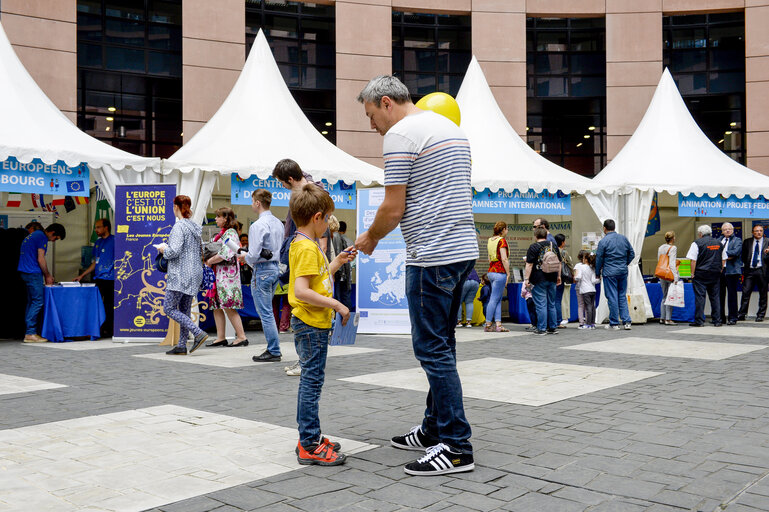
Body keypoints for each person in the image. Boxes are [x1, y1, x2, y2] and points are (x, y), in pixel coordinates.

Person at [356, 75, 478, 476]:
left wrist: (370, 238)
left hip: (431, 257)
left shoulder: (401, 135)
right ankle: (433, 429)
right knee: (442, 346)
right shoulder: (447, 127)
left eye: (372, 115)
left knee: (431, 350)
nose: (372, 125)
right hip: (462, 254)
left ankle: (456, 446)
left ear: (387, 103)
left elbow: (393, 206)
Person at [288, 184, 356, 466]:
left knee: (312, 381)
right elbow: (302, 291)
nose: (330, 223)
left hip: (312, 324)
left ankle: (310, 436)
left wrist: (337, 262)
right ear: (317, 217)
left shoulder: (306, 244)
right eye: (328, 217)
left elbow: (317, 279)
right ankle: (309, 443)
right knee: (311, 383)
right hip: (311, 324)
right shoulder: (306, 247)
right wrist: (337, 305)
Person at [273, 158, 332, 376]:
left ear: (289, 179)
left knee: (304, 299)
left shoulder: (311, 191)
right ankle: (305, 358)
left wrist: (322, 249)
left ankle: (306, 359)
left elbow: (322, 221)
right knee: (298, 300)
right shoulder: (305, 188)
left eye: (281, 182)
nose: (281, 186)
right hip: (298, 245)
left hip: (307, 248)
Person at [158, 195, 208, 355]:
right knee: (184, 308)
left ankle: (197, 332)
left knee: (169, 308)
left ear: (176, 207)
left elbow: (174, 251)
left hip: (180, 274)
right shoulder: (194, 227)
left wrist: (163, 249)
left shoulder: (178, 227)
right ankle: (181, 345)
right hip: (194, 272)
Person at [239, 189, 285, 362]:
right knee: (269, 312)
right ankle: (273, 348)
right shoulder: (278, 223)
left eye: (252, 201)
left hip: (262, 270)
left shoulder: (257, 225)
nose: (252, 204)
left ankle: (273, 349)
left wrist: (245, 257)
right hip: (275, 269)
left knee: (265, 313)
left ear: (257, 203)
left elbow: (254, 253)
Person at [204, 207, 248, 348]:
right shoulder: (221, 234)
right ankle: (221, 337)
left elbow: (225, 253)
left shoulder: (230, 233)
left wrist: (210, 261)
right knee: (217, 306)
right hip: (219, 275)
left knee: (229, 306)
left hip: (227, 275)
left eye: (218, 217)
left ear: (226, 218)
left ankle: (241, 336)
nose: (216, 219)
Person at [17, 223, 66, 343]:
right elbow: (41, 258)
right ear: (52, 232)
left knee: (32, 301)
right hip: (32, 272)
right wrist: (48, 275)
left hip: (24, 271)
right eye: (56, 238)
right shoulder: (42, 237)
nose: (54, 241)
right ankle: (30, 333)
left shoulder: (34, 235)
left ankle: (29, 331)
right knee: (38, 301)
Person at [74, 218, 115, 338]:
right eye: (95, 227)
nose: (96, 230)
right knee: (96, 305)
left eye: (98, 227)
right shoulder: (97, 243)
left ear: (106, 227)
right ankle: (98, 329)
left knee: (109, 305)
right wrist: (82, 275)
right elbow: (95, 262)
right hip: (98, 279)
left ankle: (109, 329)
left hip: (111, 279)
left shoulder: (115, 241)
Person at [595, 219, 635, 330]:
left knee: (612, 297)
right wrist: (624, 263)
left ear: (604, 228)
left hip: (609, 272)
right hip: (622, 271)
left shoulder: (603, 241)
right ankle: (627, 321)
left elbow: (599, 258)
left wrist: (597, 273)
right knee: (622, 296)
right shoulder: (623, 239)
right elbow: (632, 253)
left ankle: (614, 322)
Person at [524, 226, 562, 335]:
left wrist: (526, 279)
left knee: (541, 304)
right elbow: (559, 262)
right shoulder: (553, 246)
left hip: (538, 278)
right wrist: (558, 276)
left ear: (535, 236)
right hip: (553, 277)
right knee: (551, 303)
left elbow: (529, 264)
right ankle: (553, 327)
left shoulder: (534, 247)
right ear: (546, 235)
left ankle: (541, 328)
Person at [686, 225, 723, 327]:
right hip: (715, 273)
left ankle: (699, 321)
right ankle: (717, 320)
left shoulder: (696, 243)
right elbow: (723, 258)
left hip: (701, 274)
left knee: (700, 298)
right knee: (715, 297)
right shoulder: (719, 243)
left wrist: (692, 273)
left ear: (700, 234)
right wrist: (720, 269)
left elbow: (693, 260)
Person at [738, 224, 768, 322]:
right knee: (745, 293)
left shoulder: (768, 241)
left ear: (763, 232)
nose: (759, 232)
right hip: (749, 271)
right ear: (752, 232)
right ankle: (742, 314)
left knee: (763, 294)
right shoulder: (747, 242)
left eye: (760, 231)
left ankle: (760, 315)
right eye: (756, 231)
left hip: (762, 271)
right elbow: (743, 256)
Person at [484, 221, 510, 332]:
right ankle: (488, 324)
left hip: (491, 271)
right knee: (494, 299)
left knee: (497, 298)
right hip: (500, 272)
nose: (507, 231)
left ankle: (498, 324)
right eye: (507, 229)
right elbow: (504, 258)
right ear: (503, 229)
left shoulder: (490, 240)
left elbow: (489, 259)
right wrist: (508, 273)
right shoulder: (502, 241)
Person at [719, 223, 742, 325]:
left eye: (729, 229)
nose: (727, 231)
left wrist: (722, 255)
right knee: (719, 295)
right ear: (722, 231)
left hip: (732, 271)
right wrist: (726, 256)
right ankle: (720, 318)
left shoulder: (737, 240)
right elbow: (714, 253)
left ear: (733, 230)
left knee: (732, 295)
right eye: (725, 229)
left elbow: (735, 252)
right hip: (720, 271)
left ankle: (733, 317)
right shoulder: (719, 240)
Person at [330, 216, 353, 310]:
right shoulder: (343, 238)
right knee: (344, 295)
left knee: (338, 296)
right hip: (342, 271)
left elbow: (334, 253)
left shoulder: (335, 236)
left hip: (337, 271)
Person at [657, 231, 679, 326]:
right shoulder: (673, 248)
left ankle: (662, 318)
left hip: (662, 274)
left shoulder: (660, 247)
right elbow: (672, 263)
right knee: (670, 297)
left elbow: (660, 261)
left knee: (664, 296)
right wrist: (675, 276)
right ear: (673, 238)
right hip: (669, 274)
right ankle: (668, 319)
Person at [574, 252, 599, 329]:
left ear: (585, 260)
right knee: (592, 306)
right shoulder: (592, 268)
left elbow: (578, 277)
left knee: (587, 306)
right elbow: (594, 280)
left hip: (585, 289)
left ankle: (587, 324)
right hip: (592, 289)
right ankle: (592, 323)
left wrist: (575, 276)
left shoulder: (581, 267)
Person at [554, 233, 573, 328]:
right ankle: (559, 320)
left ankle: (553, 320)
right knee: (559, 300)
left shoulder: (552, 251)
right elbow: (570, 265)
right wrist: (573, 274)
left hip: (552, 277)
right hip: (561, 278)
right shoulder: (564, 252)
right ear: (562, 242)